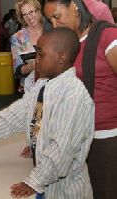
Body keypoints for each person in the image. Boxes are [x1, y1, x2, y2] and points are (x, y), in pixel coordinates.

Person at [0, 27, 94, 198]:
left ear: (61, 57)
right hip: (46, 179)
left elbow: (61, 151)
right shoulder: (43, 85)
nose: (36, 60)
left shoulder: (73, 94)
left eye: (41, 55)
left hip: (65, 190)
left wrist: (33, 181)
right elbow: (13, 117)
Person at [44, 0, 117, 198]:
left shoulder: (107, 37)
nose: (54, 24)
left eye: (57, 16)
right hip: (77, 137)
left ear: (75, 7)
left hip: (105, 138)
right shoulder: (69, 44)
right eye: (50, 20)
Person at [11, 0, 51, 94]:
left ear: (38, 11)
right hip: (29, 90)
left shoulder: (51, 30)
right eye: (25, 15)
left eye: (31, 12)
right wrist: (31, 66)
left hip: (53, 87)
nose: (29, 17)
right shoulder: (17, 38)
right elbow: (17, 70)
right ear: (22, 18)